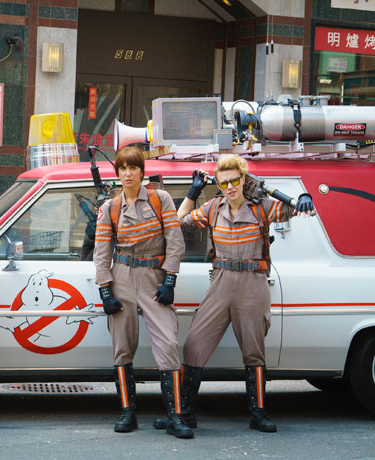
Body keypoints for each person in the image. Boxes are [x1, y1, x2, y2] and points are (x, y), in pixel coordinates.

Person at [168, 153, 315, 433]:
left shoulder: (262, 207)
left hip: (252, 282)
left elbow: (295, 209)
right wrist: (193, 193)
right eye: (223, 183)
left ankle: (258, 414)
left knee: (254, 349)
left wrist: (306, 196)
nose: (230, 187)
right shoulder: (213, 208)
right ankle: (184, 412)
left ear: (243, 178)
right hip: (221, 280)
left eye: (234, 180)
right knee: (195, 344)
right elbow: (178, 222)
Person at [93, 146, 193, 439]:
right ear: (118, 172)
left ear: (141, 172)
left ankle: (175, 416)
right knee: (122, 346)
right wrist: (105, 290)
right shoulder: (110, 207)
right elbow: (102, 251)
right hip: (122, 276)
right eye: (123, 168)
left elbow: (175, 241)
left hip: (153, 277)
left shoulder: (160, 199)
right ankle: (128, 413)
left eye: (133, 168)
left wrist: (170, 279)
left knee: (168, 343)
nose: (128, 174)